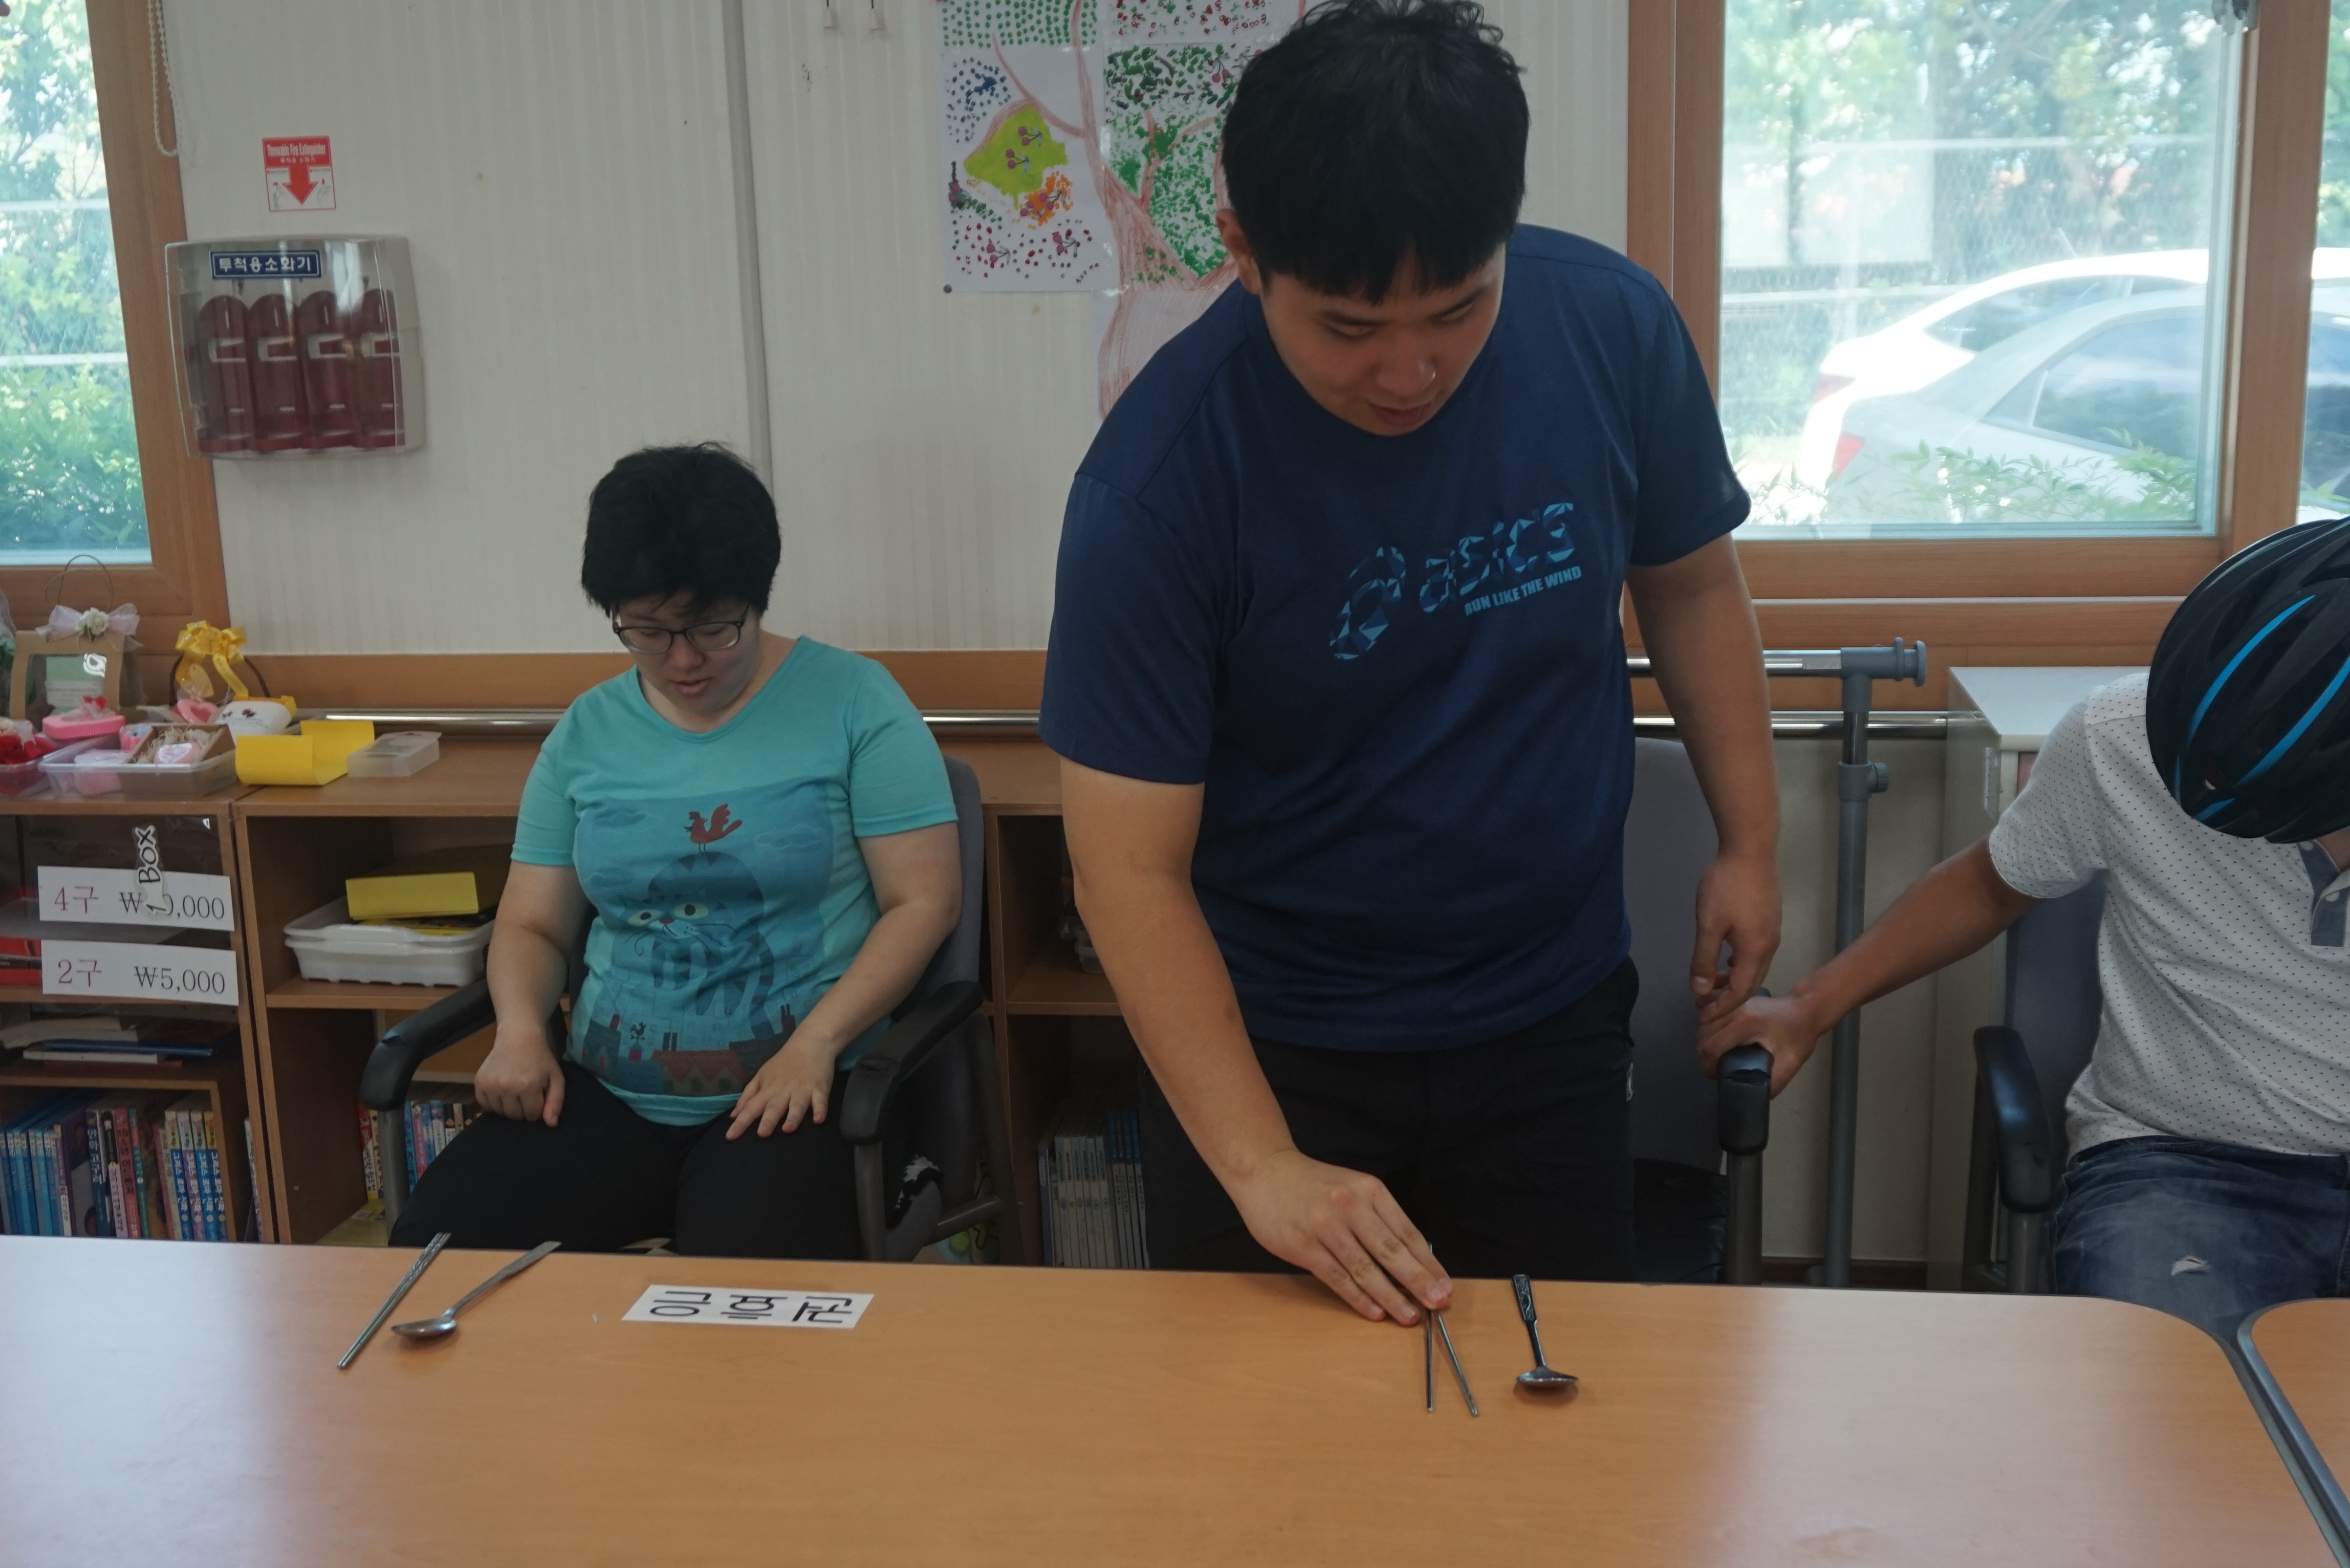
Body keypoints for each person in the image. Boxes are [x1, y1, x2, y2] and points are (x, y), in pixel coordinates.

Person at [1041, 0, 1779, 1325]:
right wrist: (1262, 1167)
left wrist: (1752, 839)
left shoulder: (1610, 328)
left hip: (1549, 1011)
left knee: (1551, 1391)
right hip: (1276, 1042)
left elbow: (1690, 582)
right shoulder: (1156, 485)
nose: (1408, 372)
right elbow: (1126, 868)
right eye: (1346, 328)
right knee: (1271, 1434)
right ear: (1245, 252)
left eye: (1457, 308)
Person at [1705, 512, 2350, 1339]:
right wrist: (1807, 1007)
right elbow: (1989, 885)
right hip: (2175, 1167)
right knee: (2173, 1416)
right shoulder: (2121, 739)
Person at [391, 443, 961, 1256]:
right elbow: (533, 925)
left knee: (736, 1293)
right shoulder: (586, 733)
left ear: (756, 600)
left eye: (712, 628)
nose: (684, 661)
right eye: (649, 632)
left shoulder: (855, 702)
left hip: (796, 1093)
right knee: (436, 1252)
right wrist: (519, 1030)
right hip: (603, 1096)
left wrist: (818, 1045)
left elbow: (923, 902)